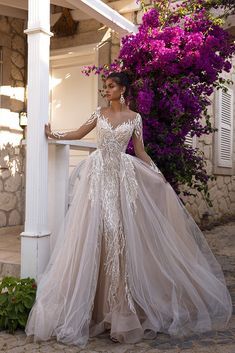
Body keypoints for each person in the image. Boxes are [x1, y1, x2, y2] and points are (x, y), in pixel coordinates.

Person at [25, 71, 232, 347]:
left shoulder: (135, 118)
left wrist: (157, 173)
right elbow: (78, 132)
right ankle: (97, 310)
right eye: (105, 86)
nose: (106, 90)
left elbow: (140, 150)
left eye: (110, 86)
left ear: (122, 89)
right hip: (97, 179)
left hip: (123, 180)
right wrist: (54, 134)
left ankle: (121, 310)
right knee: (92, 235)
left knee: (120, 239)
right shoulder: (98, 114)